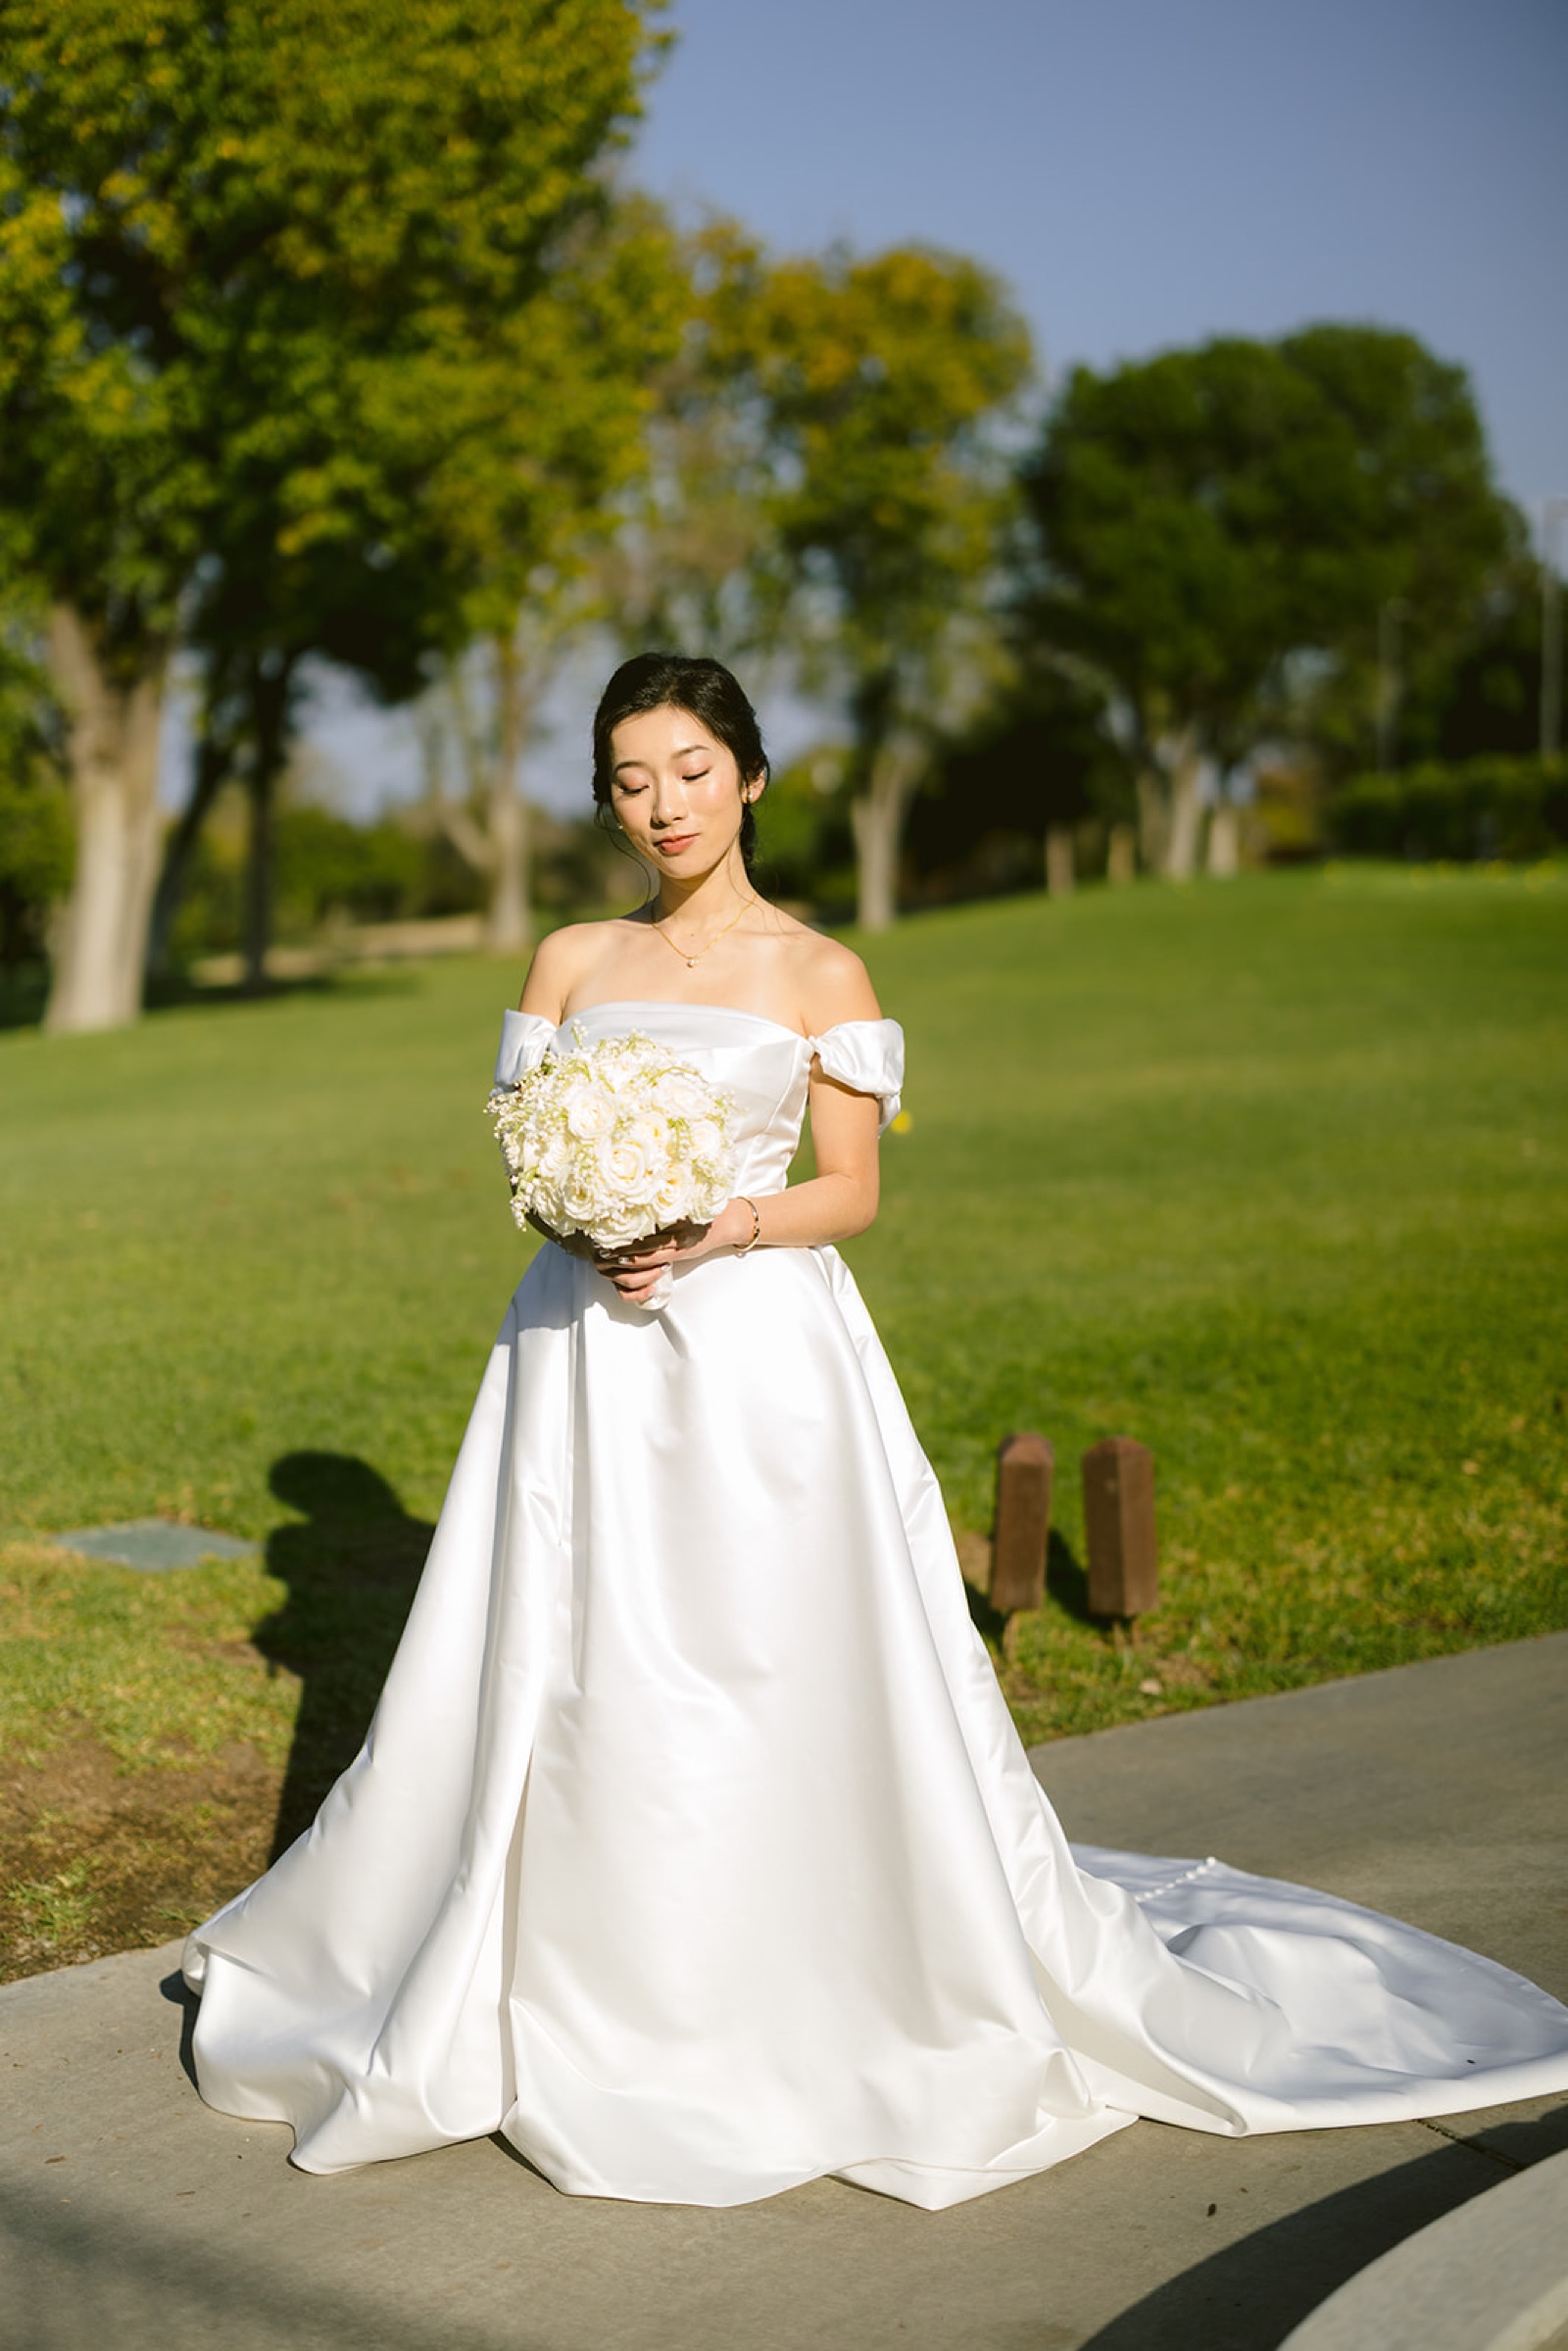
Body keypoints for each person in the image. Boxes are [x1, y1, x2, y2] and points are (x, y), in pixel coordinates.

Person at [183, 653, 1568, 2211]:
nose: (664, 806)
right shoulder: (568, 958)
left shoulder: (823, 974)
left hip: (760, 1347)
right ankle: (571, 1951)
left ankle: (789, 1965)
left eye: (692, 769)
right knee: (573, 1651)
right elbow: (521, 1163)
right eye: (633, 779)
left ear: (752, 777)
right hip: (578, 1349)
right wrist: (584, 1215)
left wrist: (715, 1226)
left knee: (765, 1649)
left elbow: (854, 1193)